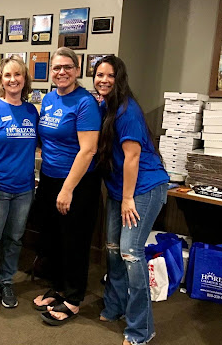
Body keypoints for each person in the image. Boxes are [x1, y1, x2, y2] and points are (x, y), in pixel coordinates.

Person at [93, 55, 169, 345]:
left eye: (109, 75)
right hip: (118, 189)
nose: (103, 80)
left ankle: (141, 329)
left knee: (130, 252)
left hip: (143, 189)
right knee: (112, 249)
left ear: (119, 78)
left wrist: (127, 199)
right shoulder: (105, 106)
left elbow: (133, 157)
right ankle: (114, 307)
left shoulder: (128, 111)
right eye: (99, 74)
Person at [33, 47, 101, 325]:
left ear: (76, 70)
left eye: (67, 67)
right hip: (49, 177)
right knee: (52, 239)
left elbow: (88, 150)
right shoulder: (49, 99)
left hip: (77, 183)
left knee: (74, 242)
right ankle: (59, 287)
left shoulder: (85, 103)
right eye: (57, 68)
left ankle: (73, 299)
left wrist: (67, 189)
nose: (61, 72)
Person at [0, 56, 39, 314]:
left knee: (14, 239)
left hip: (23, 189)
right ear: (1, 79)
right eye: (8, 75)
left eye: (18, 75)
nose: (13, 79)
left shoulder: (32, 111)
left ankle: (6, 281)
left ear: (25, 79)